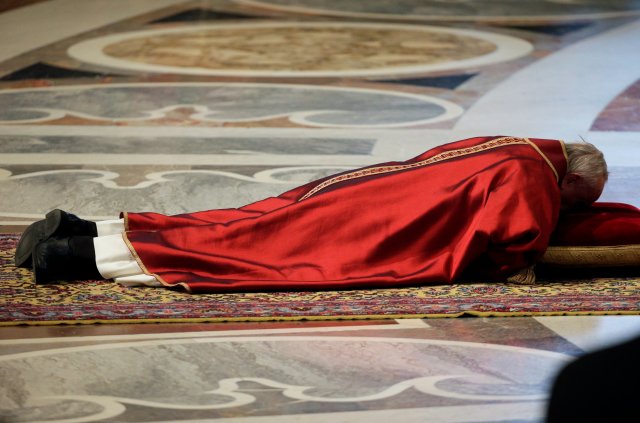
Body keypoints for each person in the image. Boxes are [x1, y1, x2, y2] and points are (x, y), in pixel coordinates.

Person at [14, 135, 608, 293]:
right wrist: (522, 261)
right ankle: (73, 256)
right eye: (575, 202)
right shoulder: (533, 175)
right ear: (572, 179)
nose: (567, 210)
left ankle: (84, 227)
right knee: (254, 253)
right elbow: (518, 235)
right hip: (381, 226)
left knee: (242, 222)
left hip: (361, 191)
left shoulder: (515, 144)